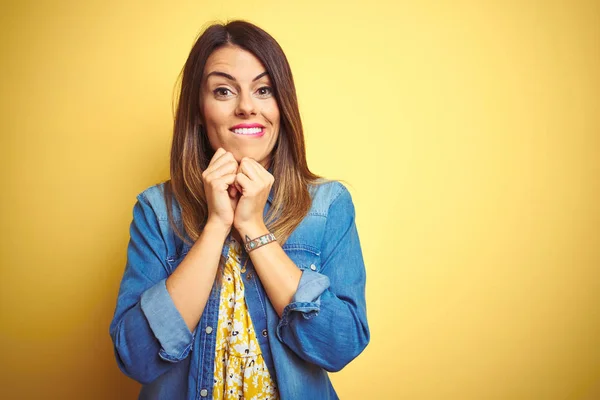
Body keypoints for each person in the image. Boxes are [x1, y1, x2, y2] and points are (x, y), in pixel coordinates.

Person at [109, 20, 369, 400]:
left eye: (263, 90)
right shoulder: (157, 210)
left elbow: (340, 345)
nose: (247, 106)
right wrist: (216, 226)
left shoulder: (328, 205)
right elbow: (136, 358)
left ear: (282, 106)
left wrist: (252, 225)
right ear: (198, 110)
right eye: (224, 90)